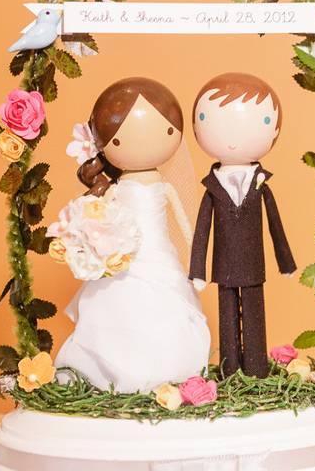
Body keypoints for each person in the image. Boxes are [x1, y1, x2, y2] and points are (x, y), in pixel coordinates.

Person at [55, 77, 211, 393]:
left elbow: (185, 225)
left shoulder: (163, 187)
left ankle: (173, 369)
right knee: (119, 307)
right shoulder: (115, 190)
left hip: (161, 255)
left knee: (167, 311)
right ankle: (116, 371)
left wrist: (197, 266)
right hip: (125, 258)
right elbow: (99, 219)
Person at [190, 72, 297, 378]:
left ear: (273, 129)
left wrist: (285, 262)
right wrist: (197, 269)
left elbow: (276, 226)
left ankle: (256, 367)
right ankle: (229, 370)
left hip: (253, 265)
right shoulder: (212, 188)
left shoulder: (262, 185)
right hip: (223, 266)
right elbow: (202, 231)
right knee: (226, 317)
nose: (234, 136)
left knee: (254, 314)